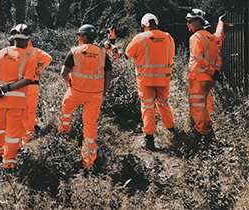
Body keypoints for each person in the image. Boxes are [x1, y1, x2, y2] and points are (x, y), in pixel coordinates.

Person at [59, 24, 113, 169]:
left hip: (76, 92)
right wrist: (104, 89)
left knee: (66, 108)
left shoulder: (75, 52)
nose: (78, 38)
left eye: (79, 35)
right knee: (90, 127)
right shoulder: (103, 53)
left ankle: (65, 133)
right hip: (96, 95)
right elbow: (108, 73)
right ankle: (88, 162)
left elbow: (64, 72)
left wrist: (70, 83)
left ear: (84, 36)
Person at [0, 24, 37, 169]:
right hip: (17, 102)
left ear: (13, 37)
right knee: (13, 134)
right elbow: (27, 80)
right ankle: (9, 163)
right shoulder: (30, 57)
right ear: (28, 39)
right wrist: (8, 87)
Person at [124, 13, 175, 150]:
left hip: (145, 80)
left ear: (143, 26)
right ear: (156, 23)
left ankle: (149, 140)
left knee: (148, 108)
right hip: (164, 79)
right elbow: (172, 54)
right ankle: (172, 131)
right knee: (163, 104)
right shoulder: (169, 37)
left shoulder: (140, 38)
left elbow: (127, 54)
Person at [186, 9, 221, 142]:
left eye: (189, 21)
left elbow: (199, 58)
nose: (187, 24)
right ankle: (208, 127)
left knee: (197, 107)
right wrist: (215, 73)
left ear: (198, 21)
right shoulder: (211, 37)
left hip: (198, 78)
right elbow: (217, 56)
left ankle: (202, 134)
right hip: (209, 79)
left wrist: (211, 71)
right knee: (205, 105)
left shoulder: (195, 38)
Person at [18, 26, 52, 145]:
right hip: (32, 84)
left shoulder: (14, 50)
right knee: (30, 110)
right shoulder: (35, 51)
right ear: (29, 38)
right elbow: (48, 58)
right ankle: (29, 135)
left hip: (18, 85)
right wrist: (38, 69)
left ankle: (24, 133)